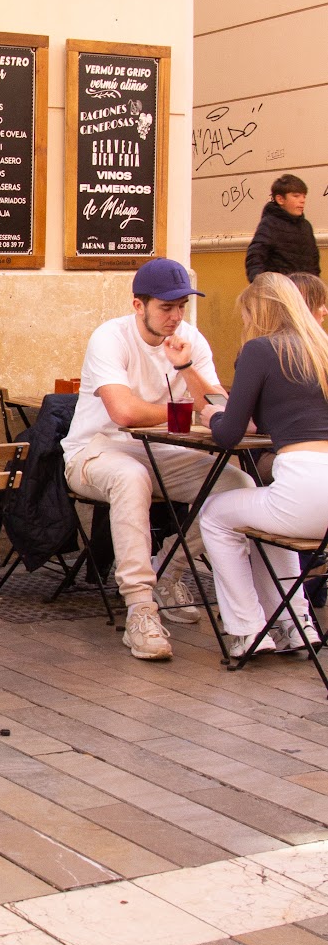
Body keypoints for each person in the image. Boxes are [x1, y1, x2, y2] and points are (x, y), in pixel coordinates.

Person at [62, 257, 252, 661]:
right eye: (166, 307)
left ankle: (168, 569)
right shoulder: (110, 337)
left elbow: (217, 406)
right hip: (96, 451)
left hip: (163, 452)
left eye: (182, 305)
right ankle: (140, 608)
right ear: (139, 305)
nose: (176, 316)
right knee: (131, 477)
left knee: (238, 486)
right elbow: (124, 413)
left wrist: (186, 368)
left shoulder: (189, 340)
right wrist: (184, 413)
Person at [198, 273, 328, 655]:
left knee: (215, 514)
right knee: (266, 518)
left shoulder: (259, 350)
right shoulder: (321, 349)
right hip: (314, 496)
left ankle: (248, 629)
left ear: (258, 312)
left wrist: (213, 416)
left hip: (303, 487)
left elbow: (228, 436)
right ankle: (296, 624)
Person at [245, 174, 320, 282]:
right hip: (280, 288)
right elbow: (255, 257)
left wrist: (315, 284)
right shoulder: (270, 224)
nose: (302, 200)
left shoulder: (306, 226)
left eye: (304, 196)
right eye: (296, 196)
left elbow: (314, 261)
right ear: (280, 199)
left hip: (305, 289)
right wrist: (262, 284)